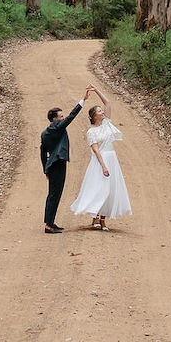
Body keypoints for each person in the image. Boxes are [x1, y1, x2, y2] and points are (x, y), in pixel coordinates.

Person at [70, 85, 132, 230]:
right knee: (99, 188)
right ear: (94, 116)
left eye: (101, 110)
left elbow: (108, 103)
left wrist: (96, 90)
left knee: (110, 189)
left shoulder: (106, 124)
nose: (102, 112)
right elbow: (96, 150)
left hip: (112, 158)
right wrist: (103, 166)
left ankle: (103, 219)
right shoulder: (91, 132)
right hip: (100, 161)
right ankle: (95, 217)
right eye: (99, 111)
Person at [39, 92, 88, 233]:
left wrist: (45, 168)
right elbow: (72, 116)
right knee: (55, 194)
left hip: (51, 165)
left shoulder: (45, 133)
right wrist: (82, 101)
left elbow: (42, 153)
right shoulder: (58, 127)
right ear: (54, 119)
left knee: (53, 194)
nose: (63, 118)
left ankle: (50, 222)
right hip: (58, 163)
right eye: (61, 116)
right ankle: (48, 225)